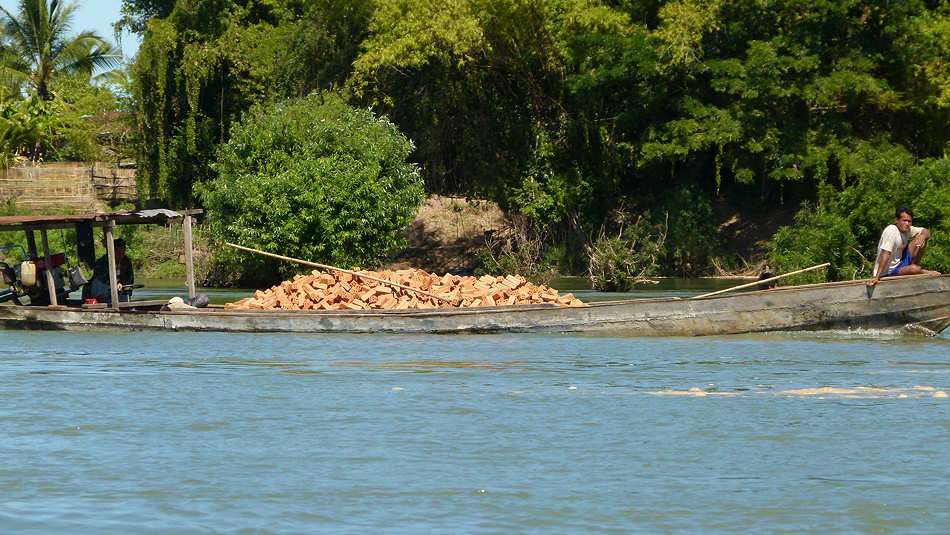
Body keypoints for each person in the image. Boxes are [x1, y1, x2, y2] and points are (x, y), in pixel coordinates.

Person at [867, 206, 939, 286]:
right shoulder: (891, 231)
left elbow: (926, 231)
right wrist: (877, 277)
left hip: (900, 263)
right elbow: (886, 254)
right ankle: (921, 271)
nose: (907, 224)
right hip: (888, 271)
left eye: (909, 221)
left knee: (921, 239)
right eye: (904, 221)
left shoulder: (908, 229)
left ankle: (914, 267)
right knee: (915, 269)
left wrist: (923, 236)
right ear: (897, 220)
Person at [86, 238, 134, 303]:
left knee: (125, 298)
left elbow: (129, 279)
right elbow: (100, 278)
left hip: (120, 291)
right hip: (104, 289)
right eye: (118, 253)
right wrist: (114, 285)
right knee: (97, 282)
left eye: (122, 253)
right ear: (112, 252)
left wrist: (122, 284)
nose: (120, 256)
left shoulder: (127, 262)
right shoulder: (102, 261)